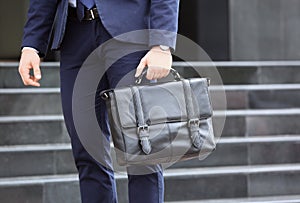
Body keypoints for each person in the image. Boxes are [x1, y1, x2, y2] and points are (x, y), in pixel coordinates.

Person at [18, 0, 179, 202]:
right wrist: (32, 44)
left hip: (130, 36)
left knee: (141, 149)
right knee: (87, 151)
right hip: (75, 37)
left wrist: (161, 45)